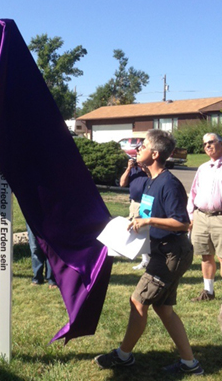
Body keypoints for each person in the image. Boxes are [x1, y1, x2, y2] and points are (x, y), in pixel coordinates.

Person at [95, 129, 203, 376]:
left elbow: (183, 223)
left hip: (171, 254)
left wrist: (150, 221)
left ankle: (123, 356)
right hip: (163, 252)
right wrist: (137, 223)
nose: (138, 149)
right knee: (163, 309)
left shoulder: (169, 183)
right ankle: (190, 364)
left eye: (142, 146)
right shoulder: (152, 180)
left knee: (138, 300)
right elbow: (149, 214)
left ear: (154, 154)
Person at [188, 133, 222, 302]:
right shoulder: (202, 168)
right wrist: (191, 216)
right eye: (204, 144)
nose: (207, 146)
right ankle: (208, 292)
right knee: (206, 255)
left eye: (211, 142)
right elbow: (193, 192)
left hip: (220, 219)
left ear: (220, 143)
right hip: (201, 216)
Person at [119, 154, 150, 270]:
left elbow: (154, 179)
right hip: (135, 204)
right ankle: (145, 259)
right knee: (137, 230)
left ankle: (151, 258)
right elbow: (122, 184)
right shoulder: (133, 170)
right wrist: (128, 168)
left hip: (147, 203)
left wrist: (145, 168)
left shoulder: (150, 168)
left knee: (148, 231)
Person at [26, 222, 57, 289]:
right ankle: (37, 278)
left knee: (49, 248)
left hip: (48, 217)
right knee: (35, 248)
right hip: (32, 218)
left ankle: (51, 279)